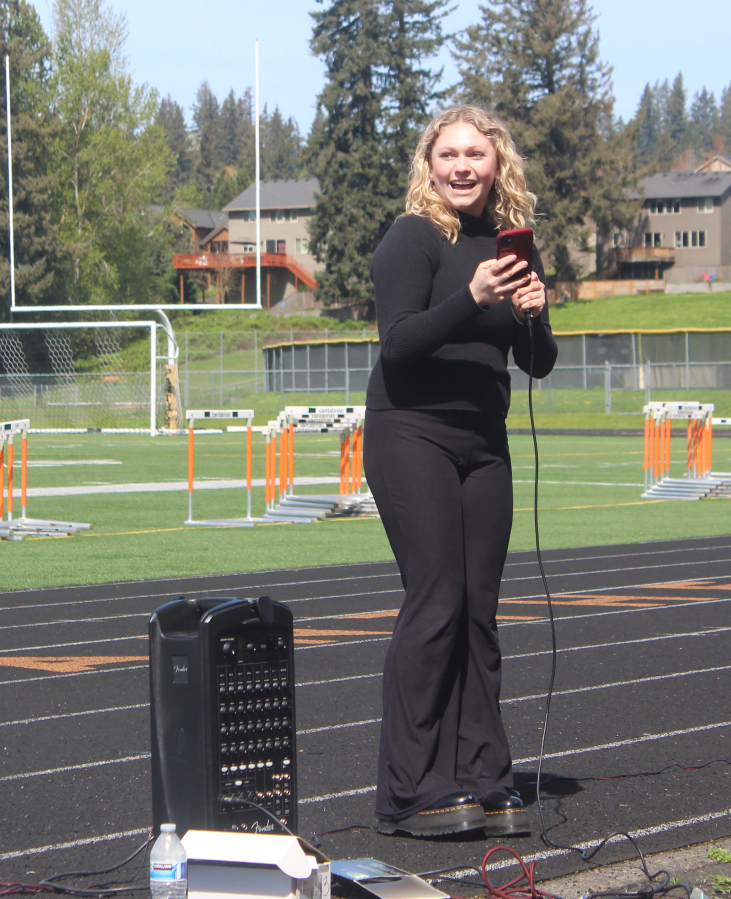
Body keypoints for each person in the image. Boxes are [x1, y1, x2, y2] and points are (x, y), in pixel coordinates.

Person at [363, 106, 558, 838]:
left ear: (497, 162)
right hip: (410, 431)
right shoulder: (412, 238)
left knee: (478, 609)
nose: (462, 166)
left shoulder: (510, 248)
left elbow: (537, 361)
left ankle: (484, 774)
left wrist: (534, 311)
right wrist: (470, 298)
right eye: (448, 154)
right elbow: (400, 343)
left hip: (485, 440)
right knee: (437, 599)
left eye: (476, 153)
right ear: (429, 164)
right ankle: (410, 790)